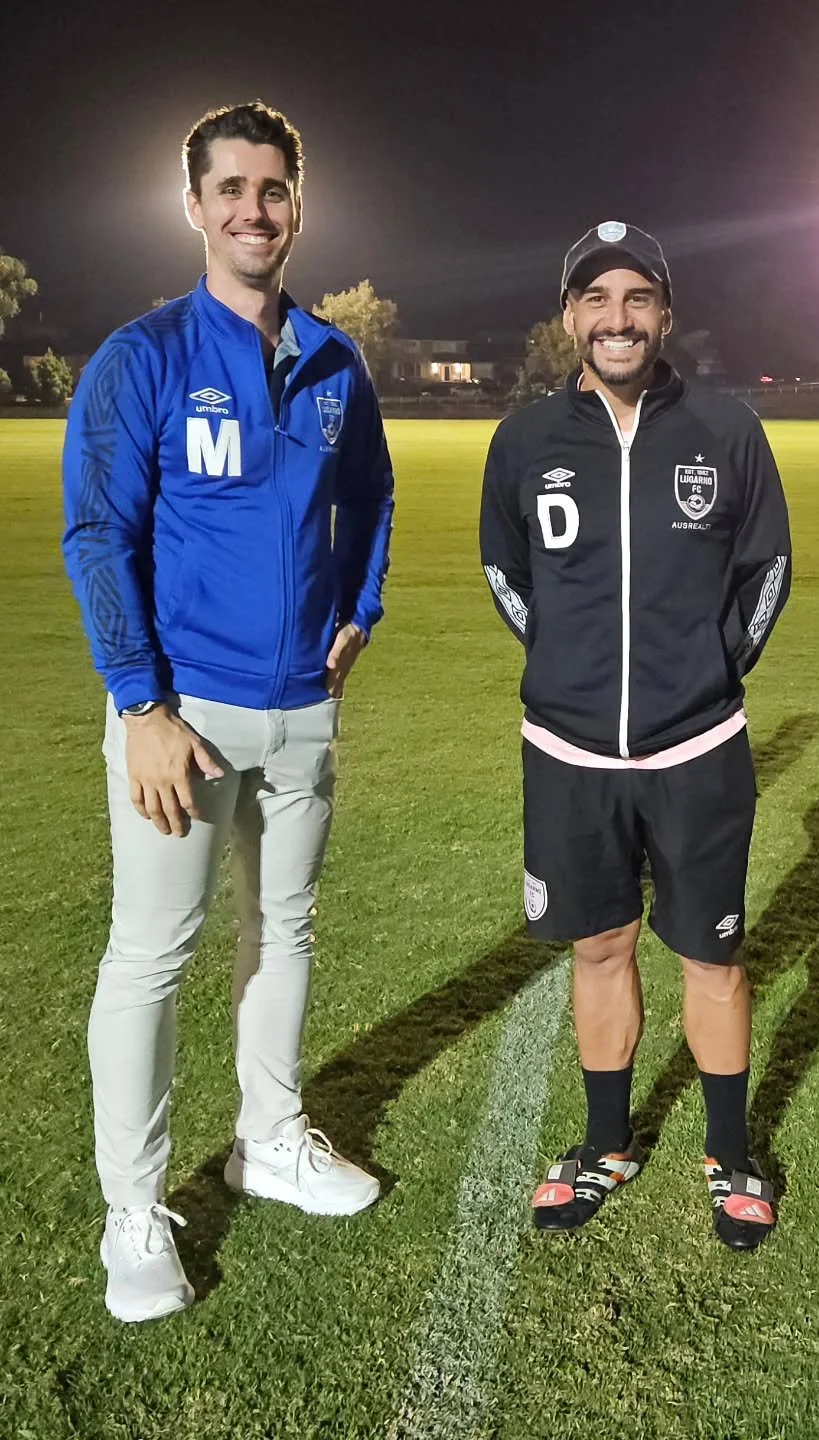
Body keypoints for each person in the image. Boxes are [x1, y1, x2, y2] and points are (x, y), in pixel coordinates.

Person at [61, 100, 394, 1323]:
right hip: (181, 718)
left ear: (296, 205)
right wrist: (140, 704)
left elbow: (372, 488)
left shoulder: (330, 358)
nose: (254, 209)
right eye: (232, 189)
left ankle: (270, 1140)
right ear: (194, 206)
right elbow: (99, 535)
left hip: (302, 708)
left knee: (286, 930)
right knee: (152, 957)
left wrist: (360, 604)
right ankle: (134, 1211)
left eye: (273, 189)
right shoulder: (142, 355)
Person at [479, 222, 792, 1250]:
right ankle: (605, 1143)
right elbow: (506, 573)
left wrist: (704, 674)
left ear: (663, 312)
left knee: (712, 956)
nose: (616, 319)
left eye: (636, 299)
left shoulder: (726, 427)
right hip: (569, 752)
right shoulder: (524, 439)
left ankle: (731, 1154)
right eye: (595, 300)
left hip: (697, 748)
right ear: (569, 316)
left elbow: (766, 569)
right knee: (600, 943)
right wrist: (572, 668)